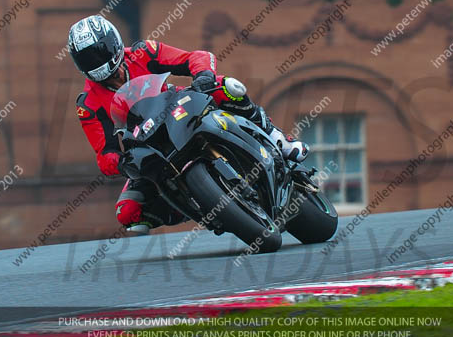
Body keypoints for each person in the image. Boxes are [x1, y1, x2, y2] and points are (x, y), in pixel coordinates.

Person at [69, 15, 309, 234]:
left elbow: (195, 57)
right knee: (127, 212)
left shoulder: (144, 52)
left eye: (99, 52)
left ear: (113, 43)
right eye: (88, 58)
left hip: (177, 109)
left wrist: (202, 74)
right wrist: (122, 163)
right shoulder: (88, 104)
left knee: (225, 86)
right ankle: (198, 203)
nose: (97, 61)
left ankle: (278, 138)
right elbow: (104, 153)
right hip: (146, 146)